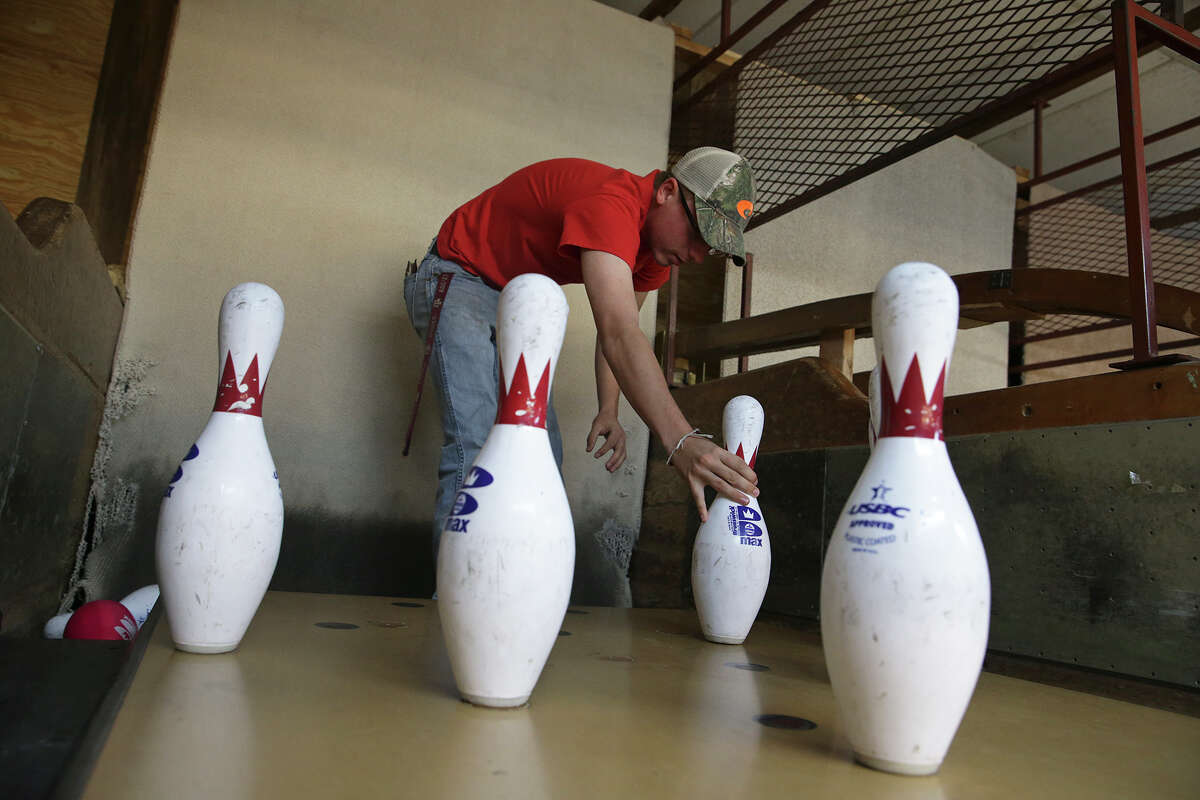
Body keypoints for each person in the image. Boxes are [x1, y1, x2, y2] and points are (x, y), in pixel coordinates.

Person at [404, 146, 760, 556]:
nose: (698, 255)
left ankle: (512, 591)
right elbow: (619, 333)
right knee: (479, 441)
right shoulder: (612, 205)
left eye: (710, 247)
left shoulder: (656, 253)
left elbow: (618, 328)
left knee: (540, 449)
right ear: (667, 192)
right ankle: (454, 603)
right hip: (458, 276)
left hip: (513, 300)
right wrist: (681, 441)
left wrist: (608, 409)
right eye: (698, 234)